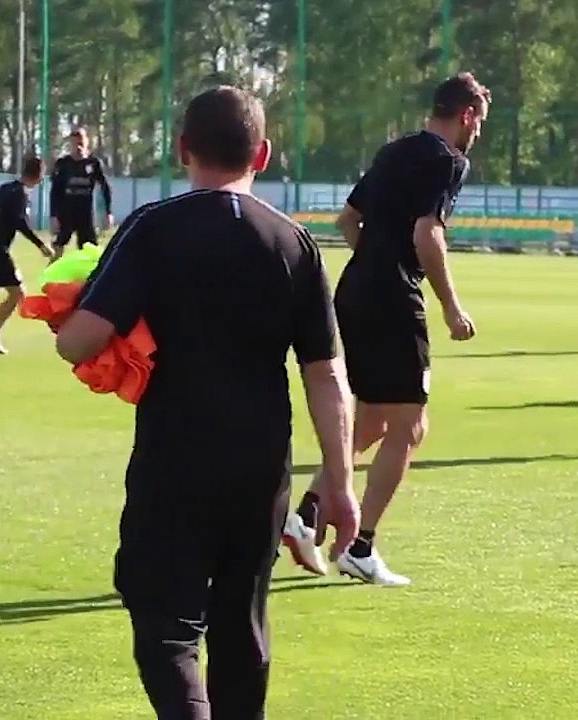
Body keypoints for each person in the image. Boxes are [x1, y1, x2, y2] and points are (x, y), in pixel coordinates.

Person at [54, 86, 360, 720]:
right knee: (241, 622)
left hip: (175, 455)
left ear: (182, 148)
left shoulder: (153, 227)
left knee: (164, 622)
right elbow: (326, 373)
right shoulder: (294, 243)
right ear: (264, 153)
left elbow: (78, 341)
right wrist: (339, 478)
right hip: (259, 462)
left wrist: (74, 306)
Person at [281, 72, 489, 586]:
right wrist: (450, 307)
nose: (477, 134)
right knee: (411, 425)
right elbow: (427, 234)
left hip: (353, 292)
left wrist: (375, 261)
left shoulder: (394, 151)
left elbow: (348, 220)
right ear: (466, 115)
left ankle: (307, 515)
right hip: (395, 298)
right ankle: (360, 546)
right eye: (478, 123)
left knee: (371, 421)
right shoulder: (449, 161)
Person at [0, 155, 53, 354]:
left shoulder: (6, 188)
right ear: (39, 176)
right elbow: (20, 222)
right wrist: (40, 245)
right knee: (17, 293)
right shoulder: (21, 194)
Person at [49, 127, 113, 254]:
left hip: (85, 214)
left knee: (90, 250)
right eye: (74, 143)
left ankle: (91, 274)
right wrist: (54, 216)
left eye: (80, 143)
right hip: (66, 213)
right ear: (70, 144)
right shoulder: (63, 164)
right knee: (59, 246)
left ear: (86, 142)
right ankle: (52, 272)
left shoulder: (93, 163)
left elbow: (105, 187)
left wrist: (108, 212)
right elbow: (55, 191)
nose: (78, 147)